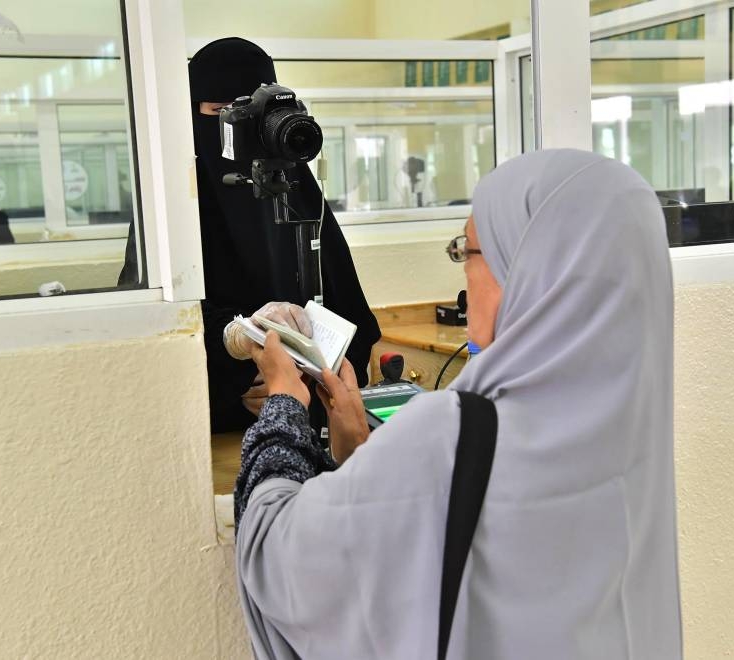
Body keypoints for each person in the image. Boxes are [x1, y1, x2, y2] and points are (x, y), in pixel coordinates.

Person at [234, 149, 682, 659]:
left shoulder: (453, 437)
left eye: (466, 251)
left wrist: (284, 403)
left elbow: (280, 558)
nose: (463, 275)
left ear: (526, 265)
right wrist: (358, 453)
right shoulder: (632, 427)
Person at [119, 37, 380, 432]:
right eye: (221, 112)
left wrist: (324, 376)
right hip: (217, 426)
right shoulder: (171, 209)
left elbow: (347, 311)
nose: (236, 130)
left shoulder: (299, 191)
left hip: (315, 421)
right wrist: (236, 376)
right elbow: (154, 321)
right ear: (193, 116)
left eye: (251, 115)